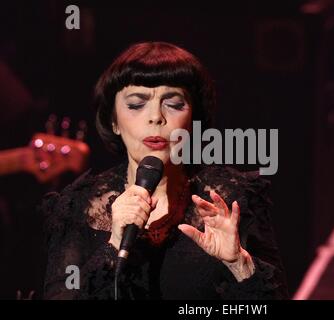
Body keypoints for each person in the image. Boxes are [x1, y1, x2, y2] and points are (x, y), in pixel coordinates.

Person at [41, 41, 288, 299]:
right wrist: (114, 245)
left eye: (173, 104)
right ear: (114, 121)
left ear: (193, 120)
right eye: (137, 104)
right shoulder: (78, 207)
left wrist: (238, 263)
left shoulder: (233, 197)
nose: (156, 117)